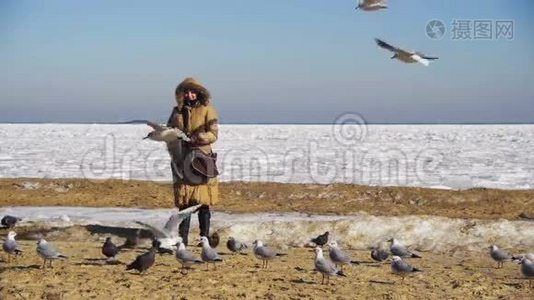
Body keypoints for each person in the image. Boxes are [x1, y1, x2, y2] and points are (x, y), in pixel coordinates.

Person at [166, 77, 219, 246]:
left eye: (192, 91)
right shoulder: (177, 112)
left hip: (201, 160)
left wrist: (199, 137)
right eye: (186, 92)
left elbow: (214, 134)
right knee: (185, 204)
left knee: (203, 203)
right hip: (182, 160)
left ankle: (204, 240)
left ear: (198, 92)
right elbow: (168, 132)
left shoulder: (207, 109)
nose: (190, 95)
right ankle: (183, 241)